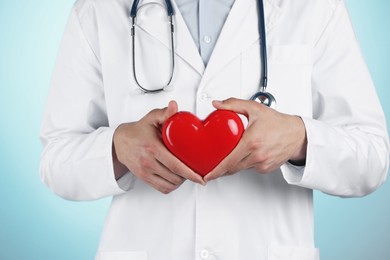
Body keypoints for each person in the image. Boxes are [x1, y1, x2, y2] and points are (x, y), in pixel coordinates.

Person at [40, 0, 389, 259]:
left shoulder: (313, 7)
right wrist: (117, 148)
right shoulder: (101, 9)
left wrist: (299, 139)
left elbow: (372, 158)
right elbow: (56, 159)